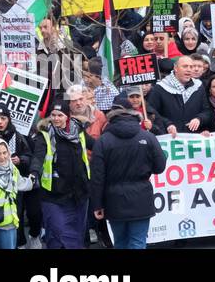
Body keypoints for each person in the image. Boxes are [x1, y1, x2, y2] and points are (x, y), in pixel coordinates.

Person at [88, 94, 166, 249]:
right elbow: (159, 167)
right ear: (133, 114)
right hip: (141, 198)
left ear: (111, 116)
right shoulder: (148, 137)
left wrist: (97, 205)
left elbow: (97, 177)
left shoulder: (103, 141)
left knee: (120, 242)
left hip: (114, 199)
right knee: (138, 242)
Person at [30, 101, 93, 249]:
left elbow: (97, 145)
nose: (56, 118)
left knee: (77, 236)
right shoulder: (44, 135)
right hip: (54, 194)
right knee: (58, 232)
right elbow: (38, 157)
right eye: (53, 115)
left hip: (78, 193)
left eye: (60, 115)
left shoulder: (79, 131)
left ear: (68, 116)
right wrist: (34, 173)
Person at [0, 138, 33, 250]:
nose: (2, 157)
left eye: (5, 152)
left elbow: (22, 184)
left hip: (7, 222)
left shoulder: (12, 169)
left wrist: (33, 179)